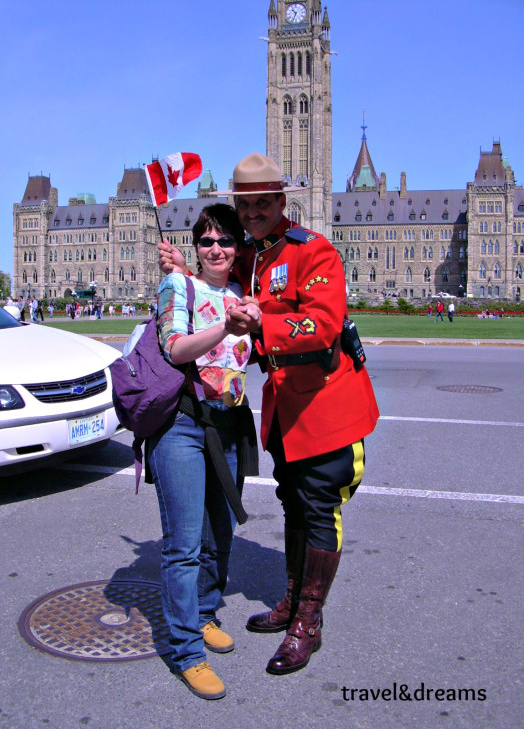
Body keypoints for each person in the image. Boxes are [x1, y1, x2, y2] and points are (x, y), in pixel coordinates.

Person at [159, 153, 379, 676]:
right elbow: (217, 284)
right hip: (284, 411)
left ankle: (309, 621)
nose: (253, 214)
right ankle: (290, 598)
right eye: (246, 207)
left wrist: (260, 327)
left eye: (263, 205)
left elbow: (323, 325)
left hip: (328, 406)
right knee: (294, 505)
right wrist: (182, 269)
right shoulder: (251, 257)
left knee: (320, 509)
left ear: (282, 202)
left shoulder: (314, 251)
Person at [148, 204, 259, 700]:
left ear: (238, 249)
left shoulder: (240, 293)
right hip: (183, 428)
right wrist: (228, 328)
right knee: (184, 544)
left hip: (229, 426)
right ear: (197, 247)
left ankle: (207, 611)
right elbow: (175, 348)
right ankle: (187, 650)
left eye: (226, 241)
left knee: (221, 534)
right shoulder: (178, 287)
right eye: (206, 240)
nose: (216, 248)